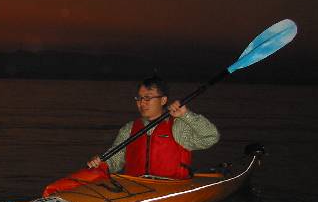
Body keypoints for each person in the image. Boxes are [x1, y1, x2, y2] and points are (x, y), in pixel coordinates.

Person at [87, 76, 219, 178]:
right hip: (136, 186)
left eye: (148, 98)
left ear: (163, 100)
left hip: (170, 187)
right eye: (139, 98)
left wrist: (186, 115)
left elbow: (211, 137)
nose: (141, 103)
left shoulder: (178, 126)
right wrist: (102, 163)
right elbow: (116, 159)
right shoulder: (129, 129)